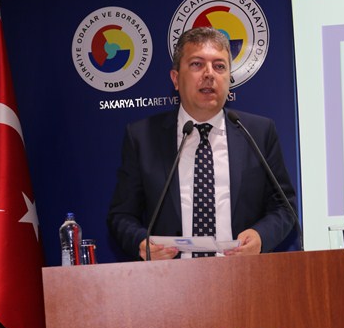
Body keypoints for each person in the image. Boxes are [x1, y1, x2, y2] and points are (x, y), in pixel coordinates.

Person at [107, 27, 297, 260]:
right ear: (175, 79)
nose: (209, 74)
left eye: (219, 66)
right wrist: (142, 243)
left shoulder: (258, 132)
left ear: (229, 79)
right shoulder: (143, 137)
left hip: (242, 273)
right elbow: (122, 215)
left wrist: (261, 237)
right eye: (197, 64)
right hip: (170, 276)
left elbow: (284, 207)